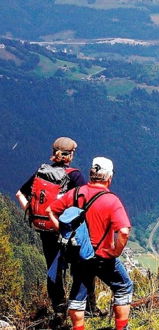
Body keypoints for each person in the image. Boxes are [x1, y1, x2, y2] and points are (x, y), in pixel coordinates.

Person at [47, 157, 133, 330]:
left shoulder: (75, 193)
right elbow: (123, 231)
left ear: (91, 174)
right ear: (109, 177)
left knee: (77, 298)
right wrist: (115, 252)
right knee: (123, 287)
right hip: (103, 256)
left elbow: (50, 211)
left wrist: (64, 233)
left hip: (79, 255)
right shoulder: (111, 200)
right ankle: (121, 328)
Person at [16, 137, 85, 323]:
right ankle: (80, 307)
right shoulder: (74, 175)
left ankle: (59, 310)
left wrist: (33, 216)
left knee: (53, 269)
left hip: (45, 230)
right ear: (70, 155)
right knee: (79, 266)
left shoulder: (41, 172)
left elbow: (19, 193)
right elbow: (84, 203)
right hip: (65, 230)